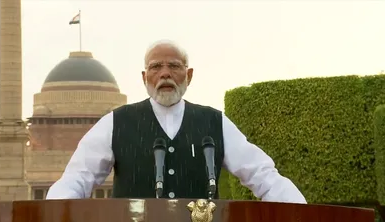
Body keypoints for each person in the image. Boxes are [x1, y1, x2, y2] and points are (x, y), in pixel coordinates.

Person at [46, 40, 307, 204]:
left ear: (189, 75)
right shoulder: (116, 122)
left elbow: (261, 173)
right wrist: (53, 214)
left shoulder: (214, 122)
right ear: (144, 76)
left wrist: (300, 213)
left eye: (174, 66)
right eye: (156, 67)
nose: (165, 74)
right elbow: (78, 177)